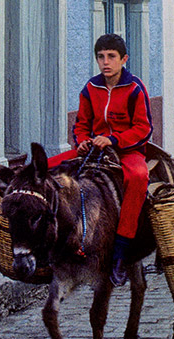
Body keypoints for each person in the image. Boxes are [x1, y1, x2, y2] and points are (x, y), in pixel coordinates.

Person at [49, 34, 152, 286]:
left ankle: (121, 249)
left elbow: (143, 128)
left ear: (123, 59)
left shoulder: (134, 88)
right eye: (101, 57)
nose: (106, 62)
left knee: (139, 177)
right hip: (93, 150)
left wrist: (114, 139)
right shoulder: (90, 88)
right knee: (49, 166)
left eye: (111, 57)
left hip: (127, 151)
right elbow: (81, 124)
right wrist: (83, 140)